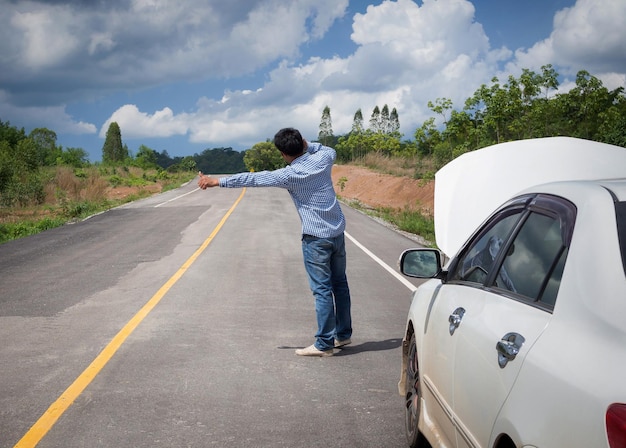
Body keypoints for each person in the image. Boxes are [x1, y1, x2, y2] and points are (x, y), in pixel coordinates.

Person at [198, 127, 352, 357]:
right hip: (337, 233)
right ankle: (343, 334)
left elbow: (253, 178)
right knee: (339, 284)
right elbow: (328, 148)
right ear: (302, 143)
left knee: (322, 290)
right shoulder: (323, 157)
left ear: (283, 154)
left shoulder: (289, 174)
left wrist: (216, 182)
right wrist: (308, 145)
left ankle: (324, 344)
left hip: (315, 238)